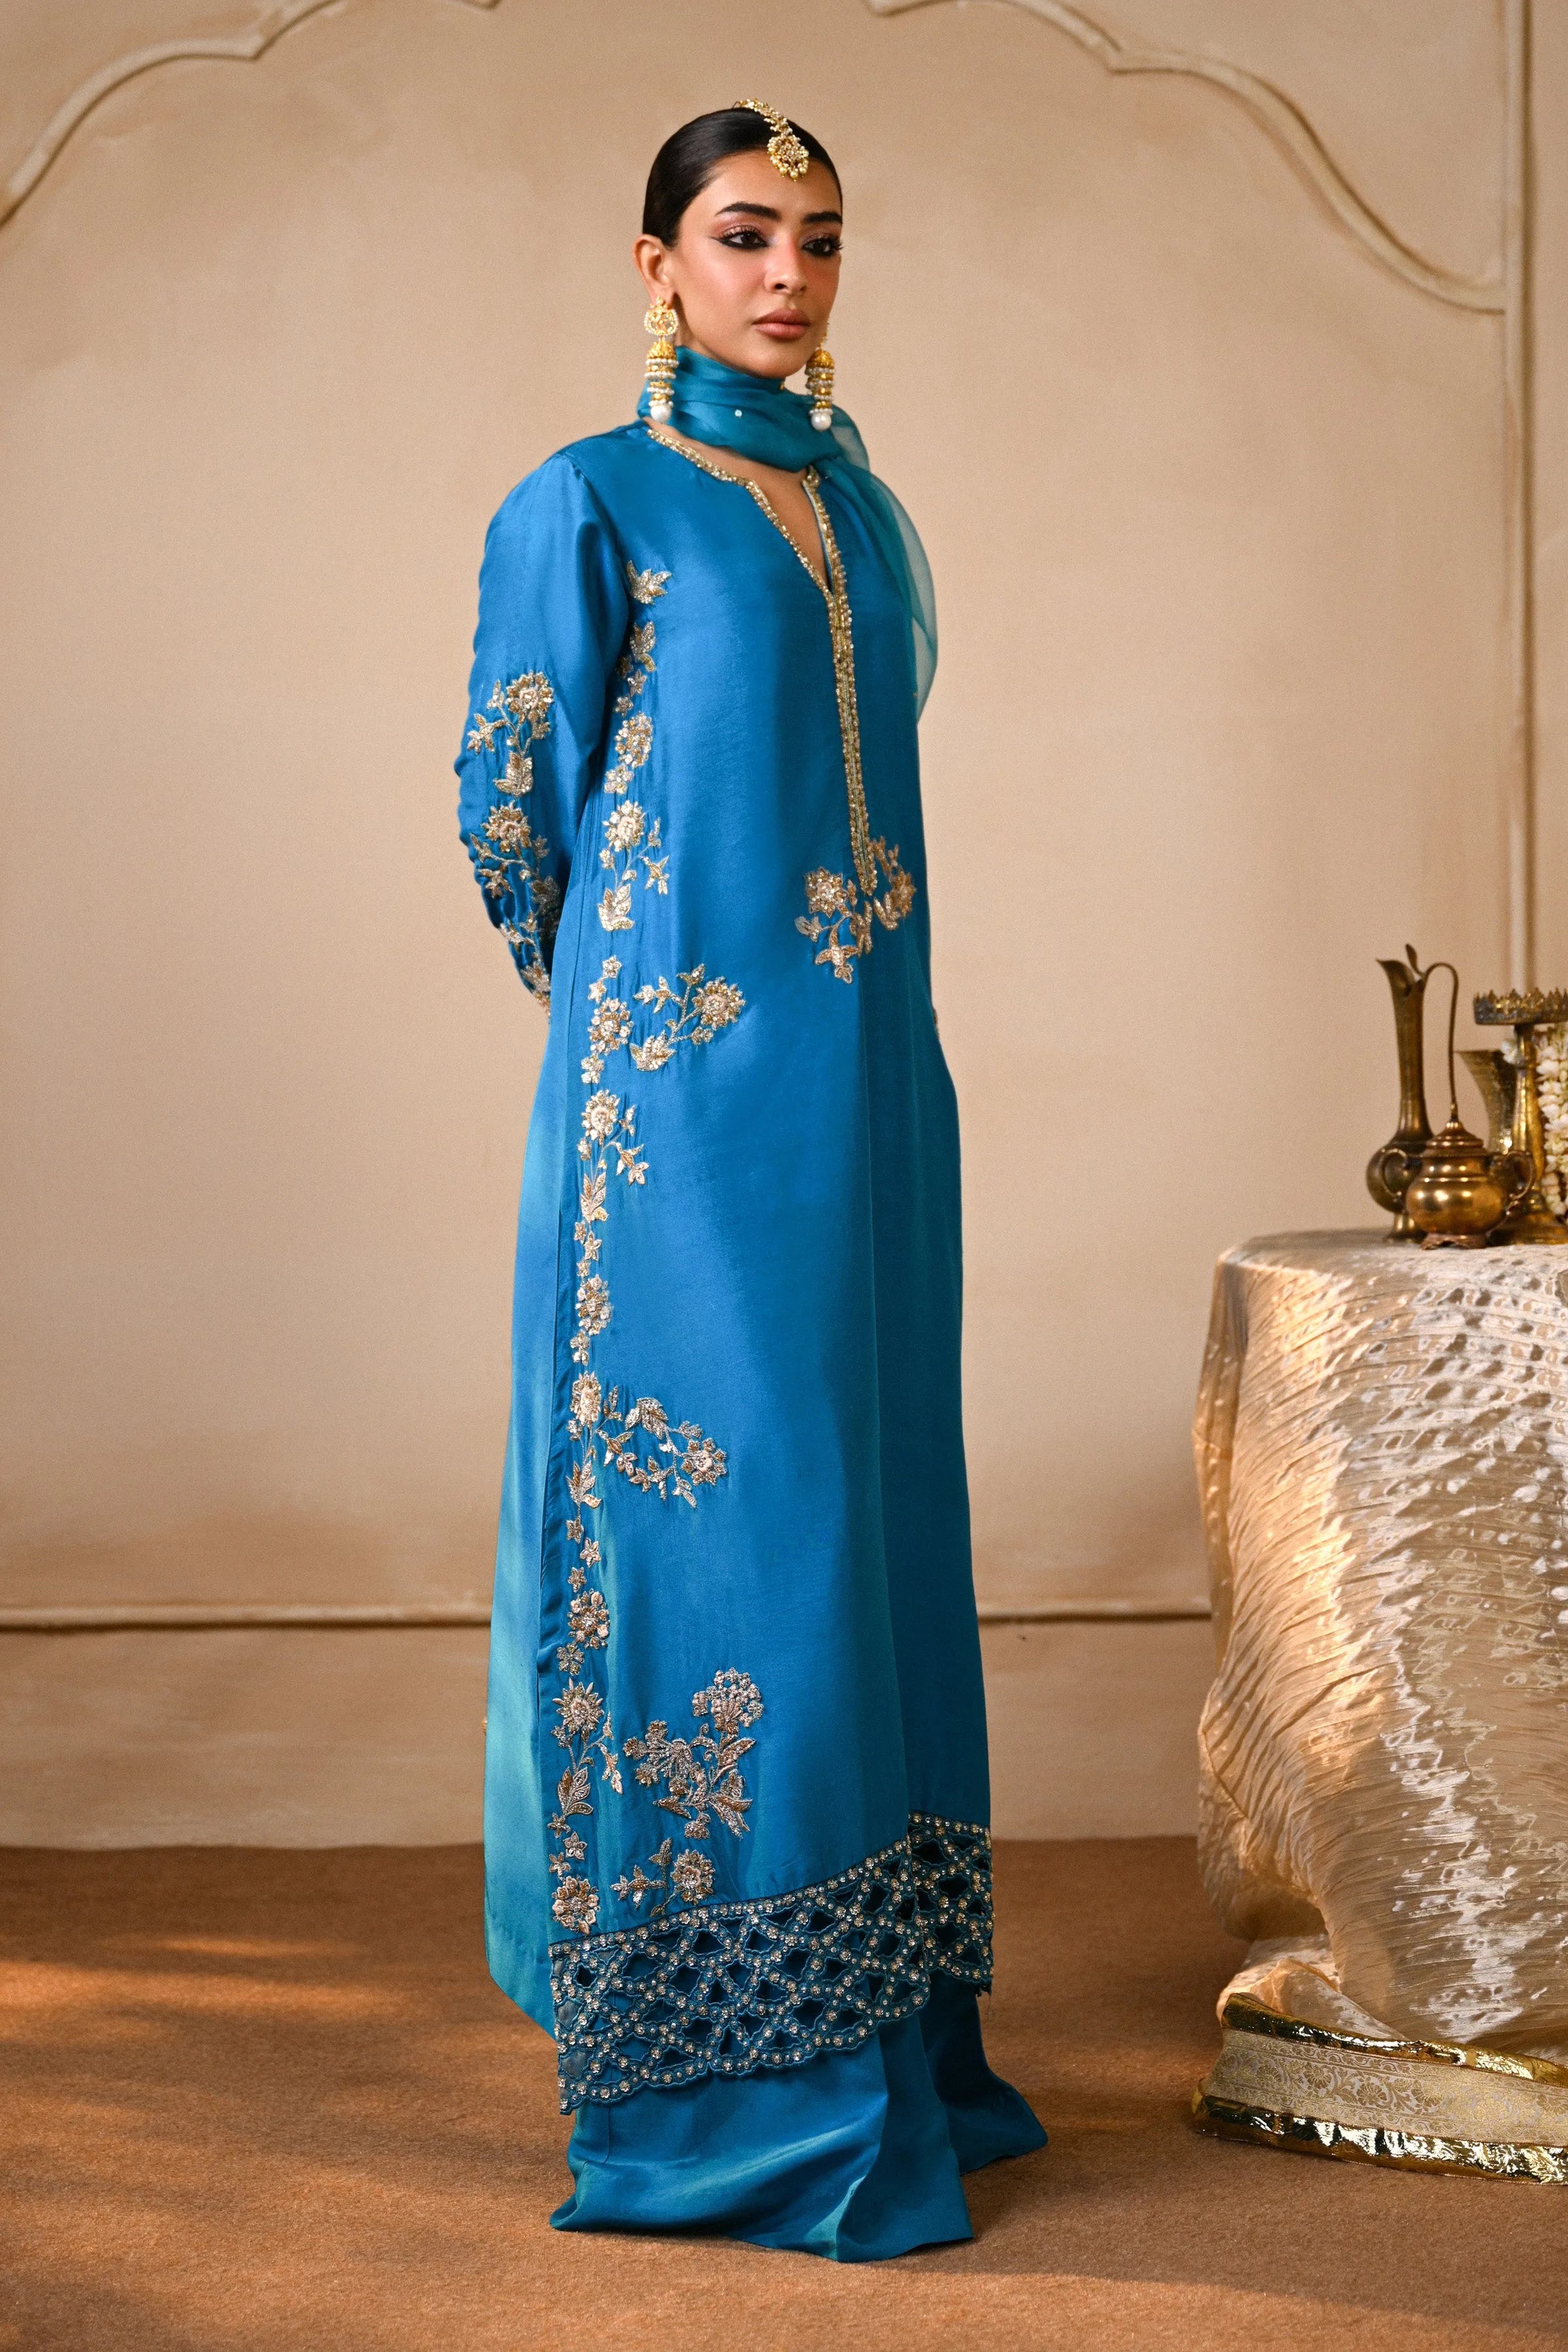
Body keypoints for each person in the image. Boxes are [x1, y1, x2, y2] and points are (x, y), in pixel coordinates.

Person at [455, 99, 1045, 2261]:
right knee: (739, 1531)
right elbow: (511, 805)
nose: (786, 274)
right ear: (656, 266)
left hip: (875, 1096)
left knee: (871, 1519)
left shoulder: (859, 506)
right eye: (740, 234)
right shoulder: (589, 500)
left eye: (818, 236)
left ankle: (893, 2039)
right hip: (687, 1125)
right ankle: (740, 2087)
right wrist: (657, 1025)